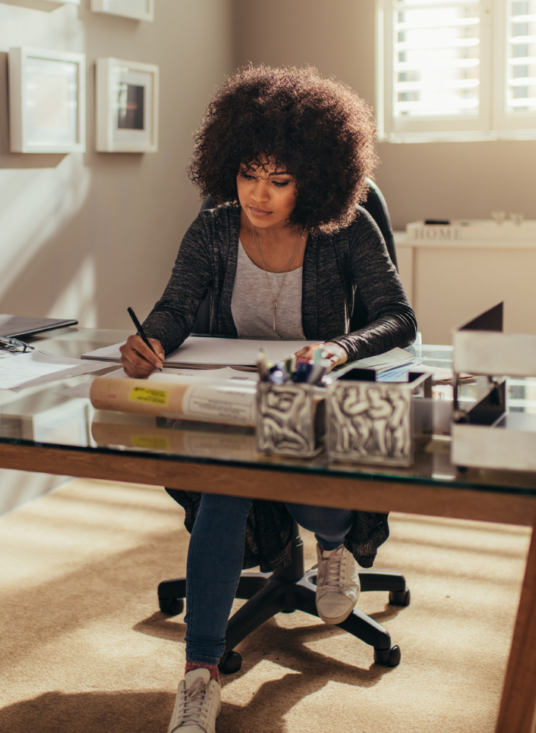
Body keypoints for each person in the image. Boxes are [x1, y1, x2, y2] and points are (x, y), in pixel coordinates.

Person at [118, 65, 417, 733]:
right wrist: (151, 342)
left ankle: (333, 544)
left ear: (314, 177)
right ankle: (199, 677)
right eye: (249, 174)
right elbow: (175, 306)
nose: (259, 193)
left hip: (314, 402)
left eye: (279, 180)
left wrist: (339, 348)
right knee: (228, 478)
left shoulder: (346, 229)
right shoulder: (216, 229)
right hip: (239, 401)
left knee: (280, 464)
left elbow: (399, 317)